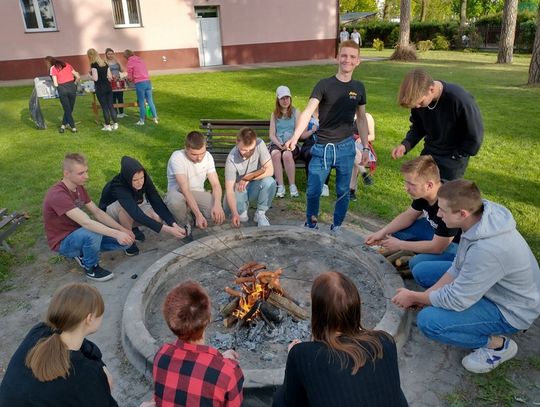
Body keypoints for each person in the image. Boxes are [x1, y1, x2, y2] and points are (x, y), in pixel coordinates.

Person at [392, 180, 540, 374]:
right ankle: (461, 312)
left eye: (443, 210)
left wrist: (415, 297)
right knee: (421, 270)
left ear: (462, 214)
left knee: (429, 321)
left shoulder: (487, 249)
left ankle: (497, 345)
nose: (438, 214)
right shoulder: (478, 219)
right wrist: (427, 296)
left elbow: (457, 299)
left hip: (511, 309)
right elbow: (457, 267)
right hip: (490, 287)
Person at [273, 271, 408, 407]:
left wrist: (295, 354)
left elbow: (291, 401)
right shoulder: (385, 341)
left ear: (319, 313)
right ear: (356, 308)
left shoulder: (302, 354)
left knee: (280, 396)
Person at [285, 40, 370, 233]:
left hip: (346, 148)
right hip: (322, 147)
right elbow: (308, 112)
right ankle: (311, 223)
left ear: (358, 61)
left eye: (352, 57)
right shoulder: (324, 84)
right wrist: (295, 137)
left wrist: (365, 147)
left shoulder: (359, 87)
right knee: (314, 190)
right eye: (344, 55)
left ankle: (337, 226)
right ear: (337, 57)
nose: (347, 60)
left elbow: (362, 119)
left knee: (342, 192)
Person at [0, 283, 118, 407]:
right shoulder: (86, 375)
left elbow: (87, 348)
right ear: (89, 318)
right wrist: (102, 380)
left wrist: (101, 368)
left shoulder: (40, 331)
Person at [365, 156, 460, 286]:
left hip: (459, 247)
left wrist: (400, 245)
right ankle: (413, 251)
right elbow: (409, 215)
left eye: (411, 184)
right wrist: (382, 231)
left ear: (429, 185)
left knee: (418, 266)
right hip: (436, 232)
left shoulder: (450, 204)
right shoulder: (426, 192)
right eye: (406, 182)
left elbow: (438, 247)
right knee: (399, 233)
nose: (406, 188)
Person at [43, 153, 134, 282]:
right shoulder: (57, 195)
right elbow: (86, 222)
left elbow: (97, 212)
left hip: (78, 233)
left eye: (86, 171)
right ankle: (91, 267)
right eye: (81, 173)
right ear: (66, 173)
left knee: (125, 242)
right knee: (92, 232)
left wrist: (122, 230)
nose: (87, 176)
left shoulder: (79, 187)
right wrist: (116, 233)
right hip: (63, 242)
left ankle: (83, 253)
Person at [152, 281, 244, 407]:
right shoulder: (229, 373)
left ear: (170, 324)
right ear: (209, 319)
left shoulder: (161, 356)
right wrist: (224, 365)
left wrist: (220, 360)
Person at [391, 68, 484, 181]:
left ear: (431, 89)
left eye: (420, 102)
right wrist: (405, 145)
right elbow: (418, 127)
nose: (418, 107)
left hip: (452, 160)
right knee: (421, 191)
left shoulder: (459, 99)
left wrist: (457, 155)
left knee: (444, 196)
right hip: (429, 153)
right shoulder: (419, 103)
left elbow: (475, 135)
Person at [99, 156, 186, 256]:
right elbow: (135, 213)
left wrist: (172, 224)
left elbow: (156, 200)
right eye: (135, 180)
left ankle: (132, 227)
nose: (140, 182)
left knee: (156, 217)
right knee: (126, 211)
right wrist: (169, 230)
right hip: (110, 215)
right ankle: (128, 240)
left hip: (132, 206)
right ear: (127, 178)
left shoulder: (143, 177)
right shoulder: (118, 186)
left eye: (141, 178)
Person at [164, 131, 225, 230]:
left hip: (197, 192)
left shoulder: (208, 157)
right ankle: (184, 223)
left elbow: (215, 184)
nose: (199, 158)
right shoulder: (177, 157)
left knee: (215, 214)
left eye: (202, 153)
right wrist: (198, 214)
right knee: (175, 202)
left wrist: (217, 205)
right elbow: (185, 189)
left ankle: (190, 212)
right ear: (186, 148)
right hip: (178, 192)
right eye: (194, 154)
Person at [224, 127, 276, 227]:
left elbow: (270, 170)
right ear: (237, 142)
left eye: (251, 150)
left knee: (270, 181)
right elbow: (229, 190)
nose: (247, 153)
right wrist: (235, 214)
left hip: (252, 186)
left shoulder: (260, 144)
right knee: (242, 219)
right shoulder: (231, 159)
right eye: (244, 150)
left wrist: (248, 178)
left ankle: (260, 214)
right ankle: (240, 212)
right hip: (238, 192)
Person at [269, 85, 301, 198]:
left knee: (287, 154)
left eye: (287, 98)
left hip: (292, 143)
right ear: (278, 99)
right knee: (275, 154)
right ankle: (280, 185)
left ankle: (292, 185)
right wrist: (278, 144)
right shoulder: (274, 114)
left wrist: (290, 142)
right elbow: (272, 134)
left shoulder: (295, 112)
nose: (285, 100)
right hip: (277, 143)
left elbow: (298, 130)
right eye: (282, 98)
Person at [45, 56, 80, 133]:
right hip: (72, 87)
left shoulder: (53, 69)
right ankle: (63, 125)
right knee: (70, 108)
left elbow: (55, 83)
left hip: (62, 89)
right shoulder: (67, 64)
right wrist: (74, 84)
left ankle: (72, 127)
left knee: (67, 109)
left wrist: (58, 89)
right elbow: (78, 76)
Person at [123, 49, 158, 125]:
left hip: (140, 83)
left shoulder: (130, 62)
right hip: (148, 82)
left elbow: (130, 76)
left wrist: (127, 78)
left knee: (141, 102)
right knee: (150, 101)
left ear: (126, 56)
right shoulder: (140, 60)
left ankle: (142, 120)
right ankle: (155, 118)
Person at [87, 48, 118, 132]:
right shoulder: (105, 63)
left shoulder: (93, 65)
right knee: (111, 106)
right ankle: (115, 124)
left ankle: (107, 126)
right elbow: (110, 77)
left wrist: (89, 76)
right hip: (108, 87)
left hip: (100, 88)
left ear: (90, 56)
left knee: (105, 108)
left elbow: (95, 79)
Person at [349, 111, 376, 201]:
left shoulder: (367, 117)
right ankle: (364, 174)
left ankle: (351, 190)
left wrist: (362, 138)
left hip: (363, 147)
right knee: (353, 152)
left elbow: (372, 136)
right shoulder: (346, 114)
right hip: (348, 146)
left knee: (354, 154)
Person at [104, 48, 126, 117]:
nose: (110, 55)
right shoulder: (105, 62)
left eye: (111, 54)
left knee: (120, 97)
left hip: (119, 81)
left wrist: (119, 63)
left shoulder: (116, 61)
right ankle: (115, 113)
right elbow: (104, 72)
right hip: (111, 82)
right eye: (109, 54)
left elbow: (122, 70)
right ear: (106, 55)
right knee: (113, 98)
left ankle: (121, 113)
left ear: (113, 54)